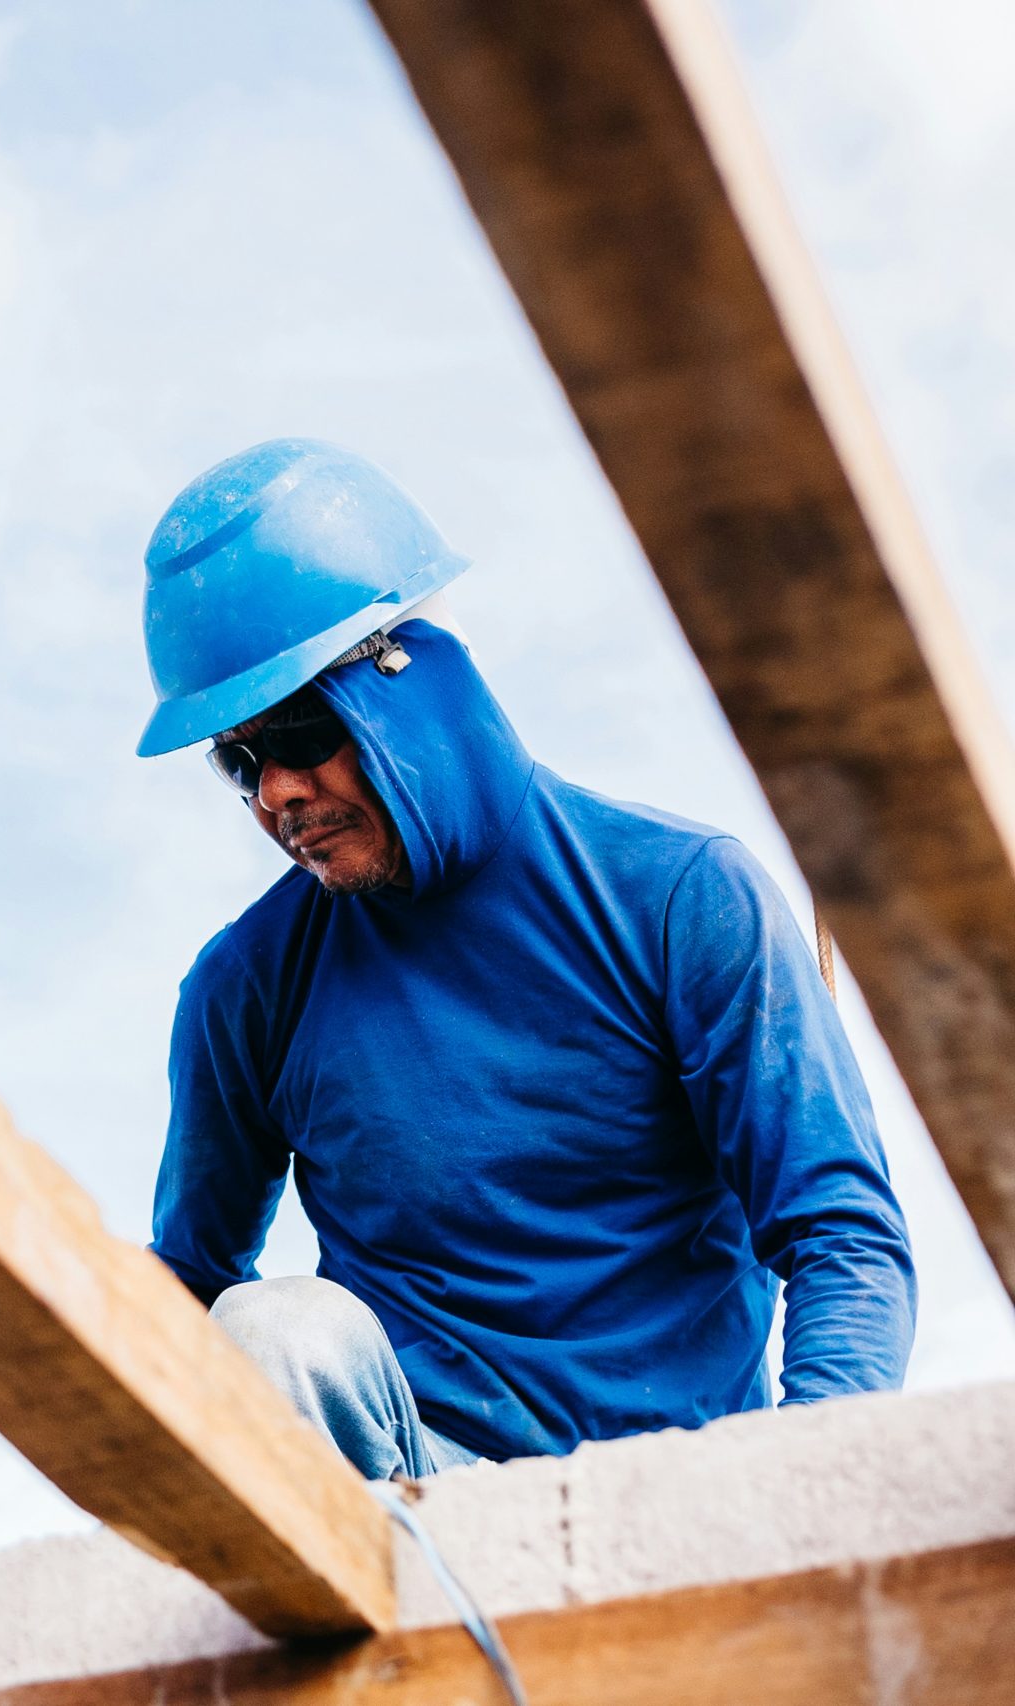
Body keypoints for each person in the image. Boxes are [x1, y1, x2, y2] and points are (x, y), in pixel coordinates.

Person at [135, 439, 915, 1480]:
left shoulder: (683, 898)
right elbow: (182, 1292)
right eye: (239, 760)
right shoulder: (247, 987)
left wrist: (809, 1490)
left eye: (299, 731)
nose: (273, 792)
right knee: (272, 1331)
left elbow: (839, 1234)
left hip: (681, 1487)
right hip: (422, 1504)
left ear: (408, 680)